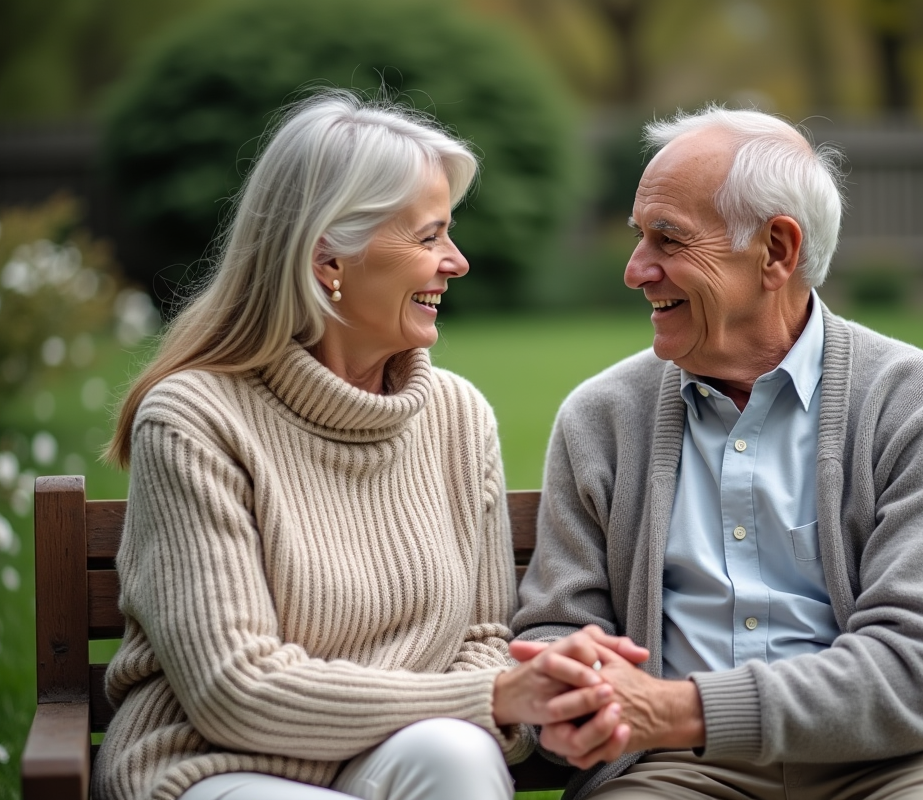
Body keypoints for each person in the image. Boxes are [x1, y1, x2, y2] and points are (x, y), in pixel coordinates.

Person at [511, 105, 923, 800]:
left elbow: (920, 672)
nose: (636, 270)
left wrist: (678, 708)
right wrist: (571, 675)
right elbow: (560, 624)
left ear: (776, 251)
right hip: (677, 769)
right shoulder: (601, 418)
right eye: (638, 237)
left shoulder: (914, 400)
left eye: (668, 240)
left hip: (908, 758)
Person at [94, 90, 622, 800]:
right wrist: (493, 697)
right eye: (430, 236)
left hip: (390, 760)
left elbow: (482, 643)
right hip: (216, 769)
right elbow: (236, 689)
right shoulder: (194, 420)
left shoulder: (458, 418)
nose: (456, 261)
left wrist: (506, 695)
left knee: (458, 756)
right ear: (327, 261)